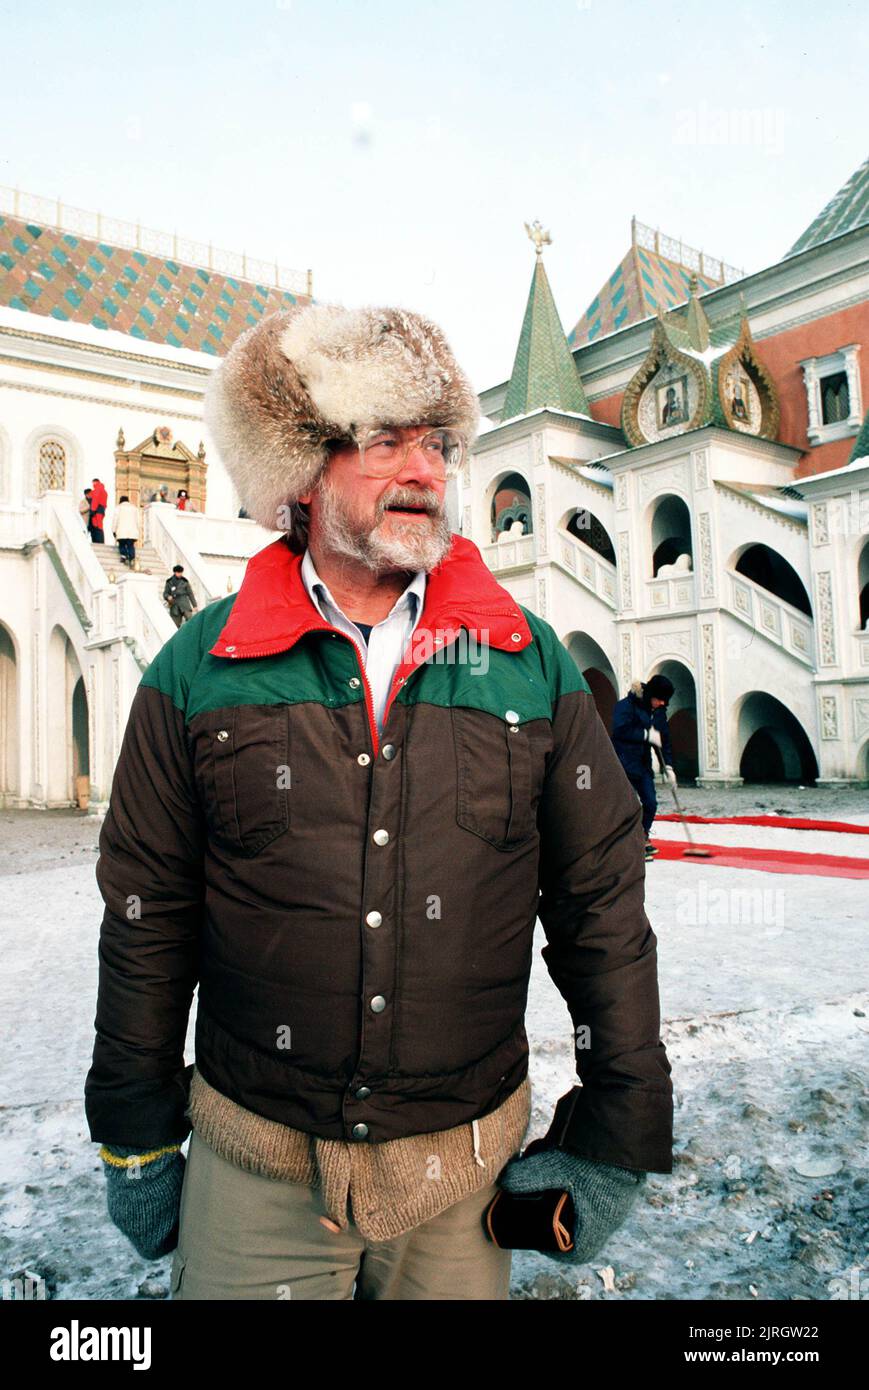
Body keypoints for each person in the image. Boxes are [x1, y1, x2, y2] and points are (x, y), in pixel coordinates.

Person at [85, 302, 673, 1302]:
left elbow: (600, 908)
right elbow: (148, 913)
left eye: (439, 442)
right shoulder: (199, 667)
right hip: (255, 1166)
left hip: (460, 1174)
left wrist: (620, 1125)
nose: (427, 470)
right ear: (300, 472)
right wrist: (136, 1136)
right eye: (385, 438)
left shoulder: (525, 665)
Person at [611, 675, 677, 861]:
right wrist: (646, 734)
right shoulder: (626, 705)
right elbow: (619, 730)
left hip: (642, 765)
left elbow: (663, 740)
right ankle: (632, 843)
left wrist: (669, 767)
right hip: (622, 763)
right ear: (650, 695)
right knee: (630, 806)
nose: (662, 703)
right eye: (660, 699)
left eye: (665, 701)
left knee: (650, 803)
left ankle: (642, 836)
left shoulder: (659, 711)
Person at [111, 495, 140, 567]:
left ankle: (123, 556)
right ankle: (132, 558)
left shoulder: (118, 508)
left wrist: (113, 530)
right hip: (132, 532)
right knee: (130, 545)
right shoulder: (134, 508)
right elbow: (138, 521)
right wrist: (138, 530)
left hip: (121, 531)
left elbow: (115, 520)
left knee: (122, 544)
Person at [90, 477, 108, 543]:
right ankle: (101, 540)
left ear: (95, 482)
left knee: (97, 525)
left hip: (97, 510)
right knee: (100, 525)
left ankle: (99, 541)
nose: (92, 485)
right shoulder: (104, 491)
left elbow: (95, 499)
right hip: (102, 509)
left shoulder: (97, 489)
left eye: (93, 483)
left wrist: (93, 509)